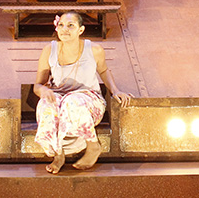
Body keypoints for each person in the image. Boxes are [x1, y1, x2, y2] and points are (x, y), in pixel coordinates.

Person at [33, 11, 132, 173]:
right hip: (61, 99)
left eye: (71, 26)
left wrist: (116, 91)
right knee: (46, 104)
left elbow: (104, 70)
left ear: (81, 30)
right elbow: (37, 85)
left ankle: (93, 146)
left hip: (88, 101)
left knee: (72, 101)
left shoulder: (94, 49)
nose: (65, 29)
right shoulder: (48, 50)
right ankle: (59, 154)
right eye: (61, 25)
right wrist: (43, 90)